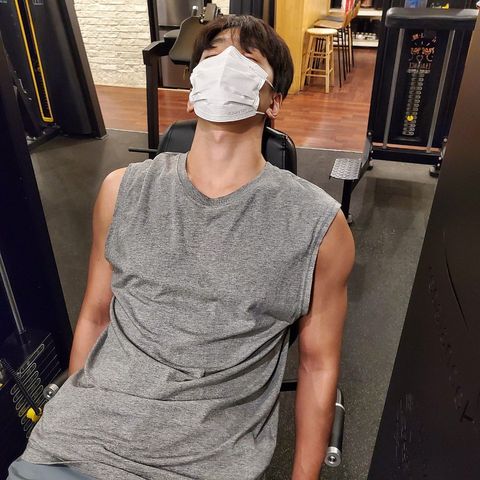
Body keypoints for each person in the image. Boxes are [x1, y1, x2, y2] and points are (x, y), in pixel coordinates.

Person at [8, 14, 354, 480]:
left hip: (200, 461)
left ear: (274, 101)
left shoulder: (318, 225)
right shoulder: (122, 191)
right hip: (73, 445)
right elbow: (95, 315)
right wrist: (70, 412)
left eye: (247, 57)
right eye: (212, 56)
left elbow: (317, 365)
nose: (225, 64)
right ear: (192, 91)